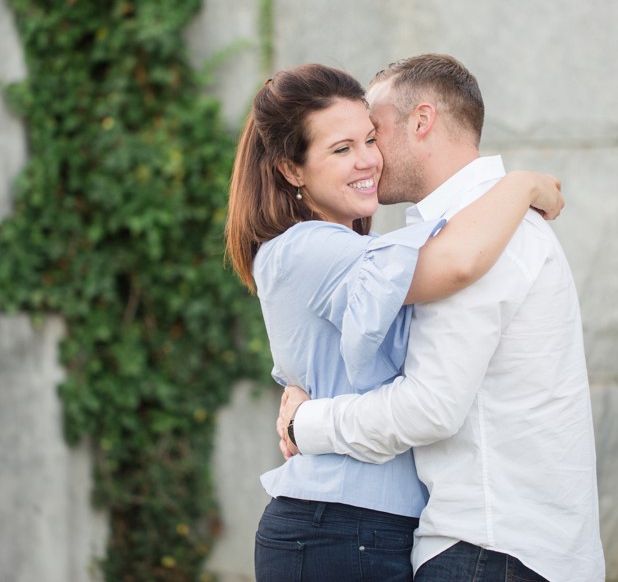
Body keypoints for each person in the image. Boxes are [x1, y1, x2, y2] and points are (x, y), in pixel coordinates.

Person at [225, 62, 565, 582]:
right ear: (293, 171)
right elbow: (454, 262)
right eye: (341, 149)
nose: (368, 161)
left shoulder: (353, 251)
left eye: (369, 139)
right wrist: (518, 185)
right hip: (335, 527)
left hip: (365, 528)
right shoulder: (307, 249)